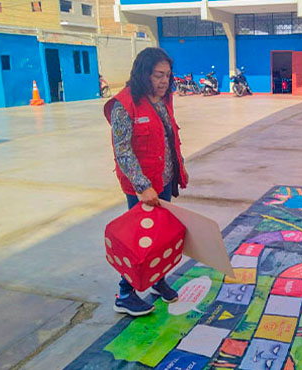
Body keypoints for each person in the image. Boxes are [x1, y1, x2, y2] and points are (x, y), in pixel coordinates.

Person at [103, 47, 189, 316]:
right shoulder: (124, 104)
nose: (164, 81)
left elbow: (167, 138)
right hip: (141, 188)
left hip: (163, 181)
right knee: (140, 239)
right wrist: (142, 186)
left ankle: (157, 280)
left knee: (160, 236)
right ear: (143, 74)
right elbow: (123, 150)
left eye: (167, 75)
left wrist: (178, 170)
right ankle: (125, 294)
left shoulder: (162, 99)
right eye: (157, 75)